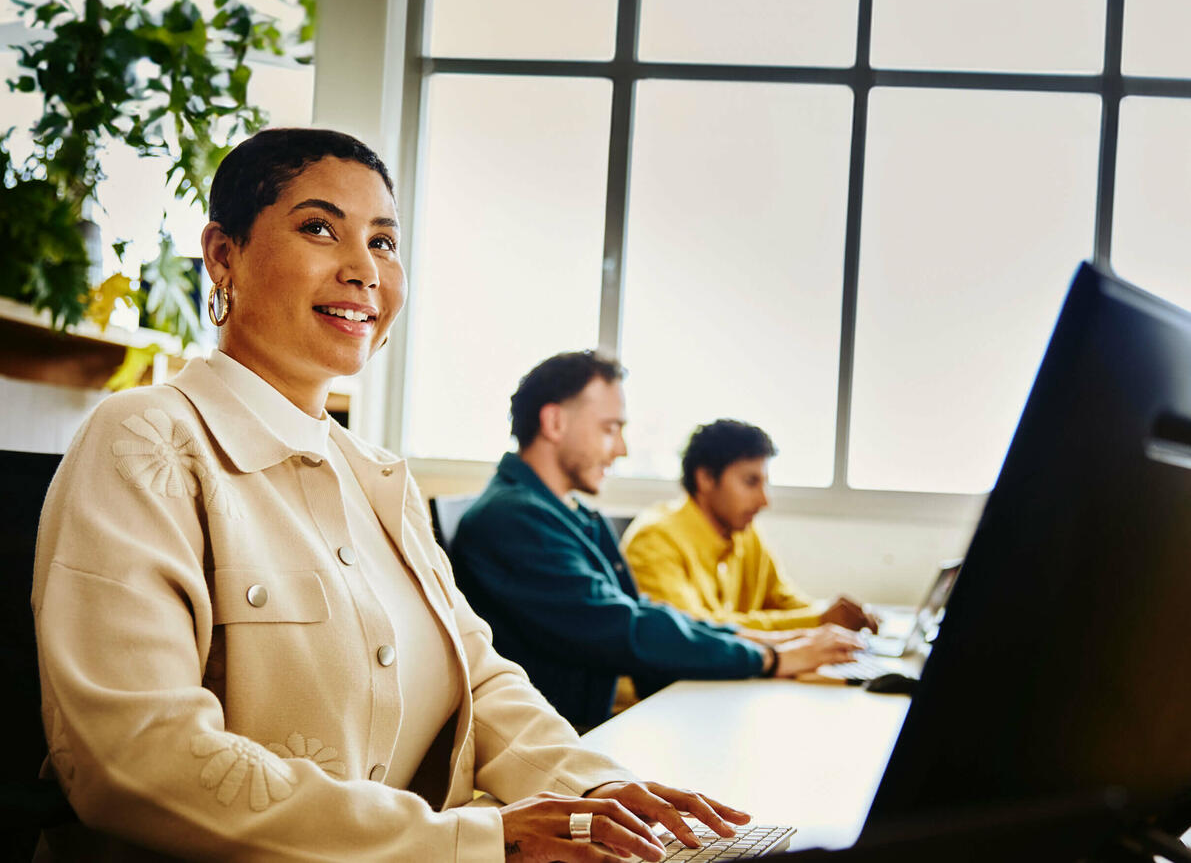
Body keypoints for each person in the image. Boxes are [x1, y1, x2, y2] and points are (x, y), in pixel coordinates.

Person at [32, 128, 750, 862]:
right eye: (319, 229)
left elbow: (479, 673)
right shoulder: (144, 440)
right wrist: (474, 841)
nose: (363, 270)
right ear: (224, 255)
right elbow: (135, 759)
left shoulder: (377, 478)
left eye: (383, 242)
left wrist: (594, 791)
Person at [450, 352, 861, 732]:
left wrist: (773, 642)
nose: (623, 449)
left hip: (585, 733)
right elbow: (624, 628)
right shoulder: (514, 519)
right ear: (554, 423)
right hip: (560, 744)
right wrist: (773, 658)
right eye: (611, 429)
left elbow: (641, 611)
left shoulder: (568, 514)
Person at [622, 419, 878, 634]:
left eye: (764, 483)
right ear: (706, 478)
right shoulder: (655, 539)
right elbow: (696, 632)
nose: (764, 501)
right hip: (667, 691)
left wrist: (834, 616)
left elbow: (782, 599)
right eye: (750, 482)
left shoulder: (744, 532)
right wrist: (817, 621)